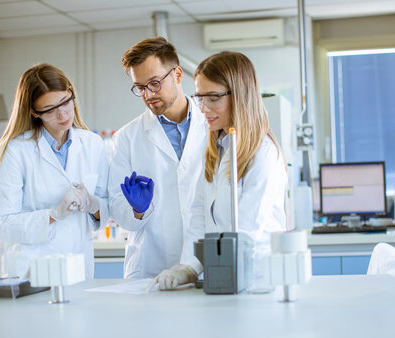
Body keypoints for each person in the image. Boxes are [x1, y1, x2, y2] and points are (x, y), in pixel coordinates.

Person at [153, 51, 288, 290]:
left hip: (255, 281)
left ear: (240, 96)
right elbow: (200, 215)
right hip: (224, 275)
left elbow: (247, 230)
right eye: (200, 97)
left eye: (213, 98)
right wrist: (189, 268)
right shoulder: (218, 149)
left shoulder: (263, 153)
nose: (203, 108)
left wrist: (211, 267)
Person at [0, 64, 109, 279]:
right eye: (51, 110)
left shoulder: (92, 144)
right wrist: (53, 214)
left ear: (71, 92)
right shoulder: (17, 151)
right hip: (31, 273)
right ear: (35, 111)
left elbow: (107, 209)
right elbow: (2, 225)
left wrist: (93, 204)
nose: (63, 114)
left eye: (65, 102)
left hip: (78, 268)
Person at [109, 37, 207, 281]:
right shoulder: (126, 138)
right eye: (140, 87)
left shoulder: (213, 125)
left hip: (205, 260)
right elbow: (118, 209)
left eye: (154, 83)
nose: (147, 95)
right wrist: (137, 211)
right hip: (151, 266)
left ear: (177, 74)